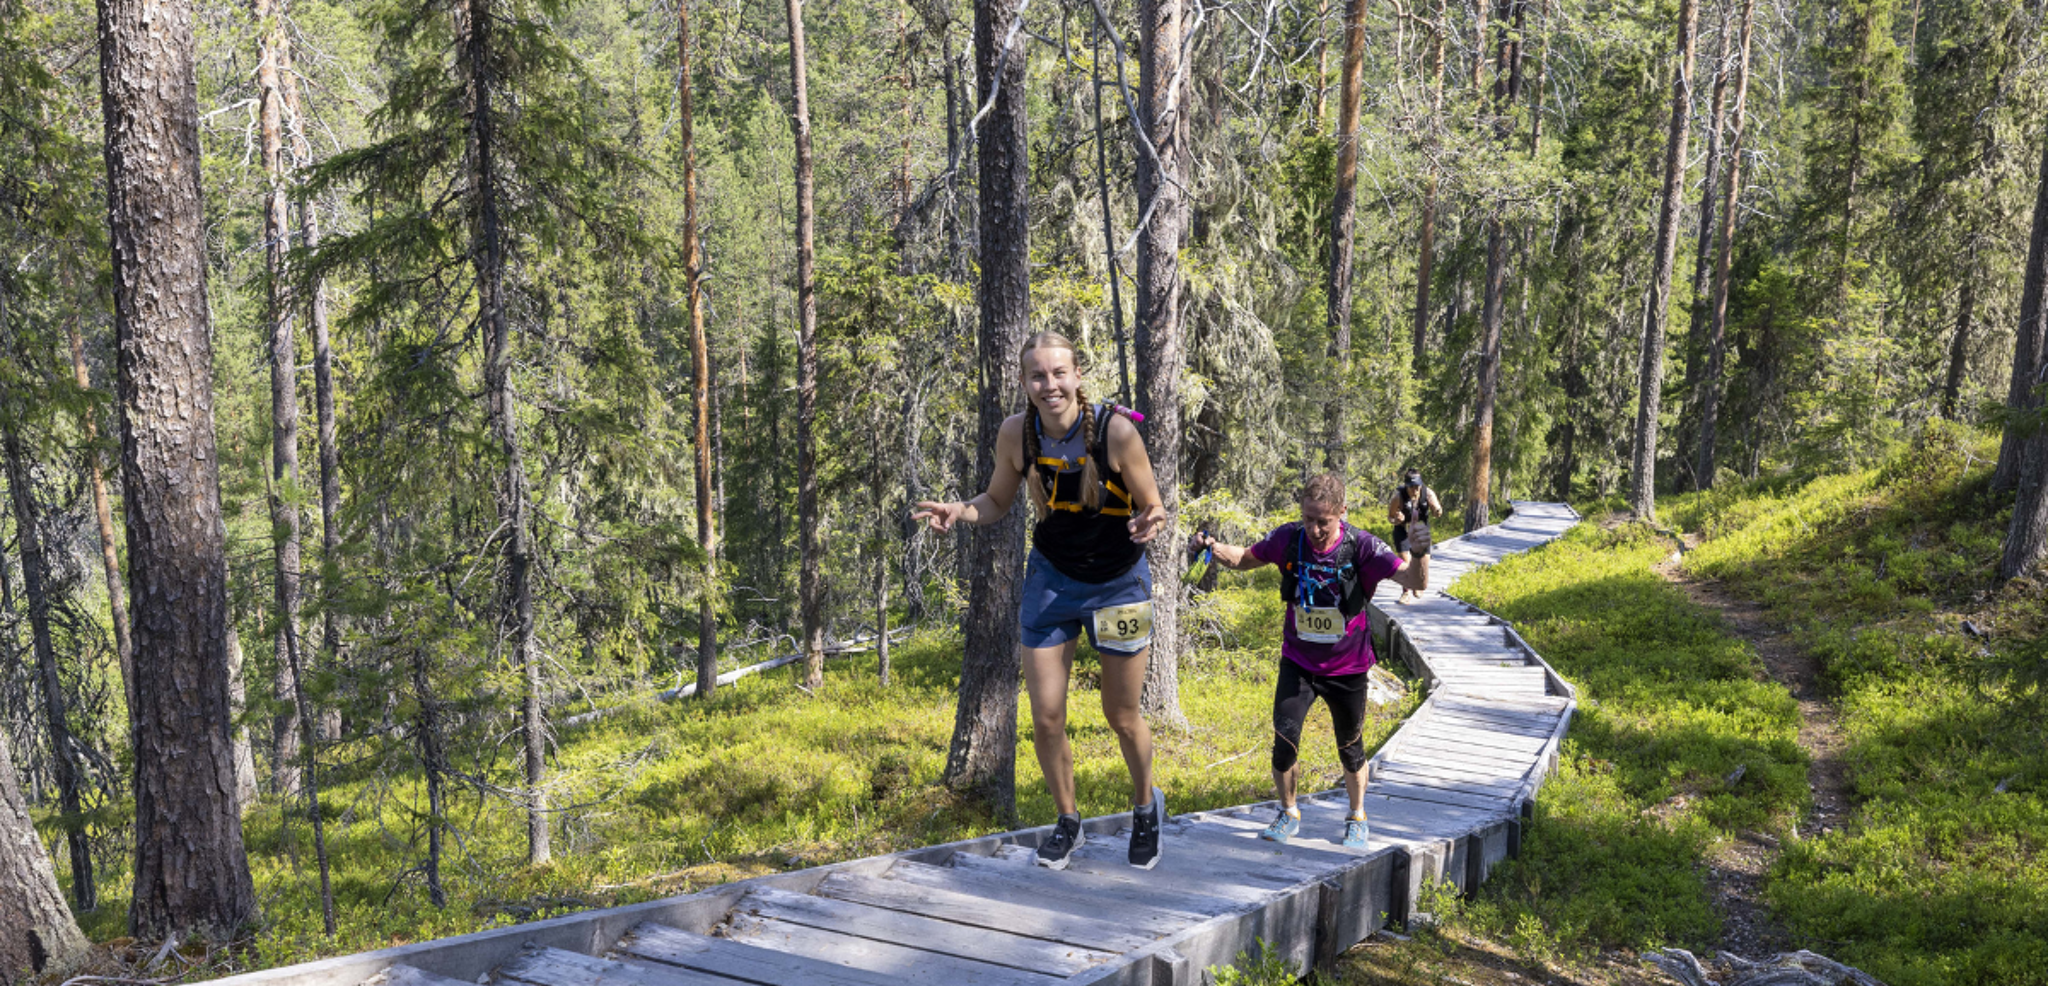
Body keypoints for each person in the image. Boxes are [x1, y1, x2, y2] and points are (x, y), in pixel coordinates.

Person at [913, 331, 1170, 871]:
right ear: (1025, 381)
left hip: (1118, 584)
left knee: (1121, 714)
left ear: (1077, 376)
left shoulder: (1116, 432)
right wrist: (960, 511)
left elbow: (1154, 505)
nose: (1049, 384)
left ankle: (1146, 808)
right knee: (1047, 716)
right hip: (1052, 582)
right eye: (1037, 375)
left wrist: (1152, 520)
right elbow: (996, 501)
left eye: (1058, 373)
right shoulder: (1018, 434)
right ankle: (1068, 821)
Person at [1191, 475, 1406, 848]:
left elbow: (1414, 579)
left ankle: (1357, 815)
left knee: (1350, 747)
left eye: (1324, 521)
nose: (1315, 529)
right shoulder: (1289, 538)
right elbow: (1244, 558)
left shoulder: (1363, 546)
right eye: (1309, 519)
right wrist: (1212, 547)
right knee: (1283, 742)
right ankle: (1288, 811)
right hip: (1298, 662)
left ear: (1342, 512)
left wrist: (1419, 551)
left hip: (1348, 667)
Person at [1387, 470, 1442, 604]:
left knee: (1423, 561)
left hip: (1421, 530)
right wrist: (1397, 520)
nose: (1415, 490)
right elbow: (1390, 517)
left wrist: (1437, 510)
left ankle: (1417, 585)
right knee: (1406, 561)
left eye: (1417, 486)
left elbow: (1438, 511)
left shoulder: (1428, 493)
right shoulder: (1398, 498)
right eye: (1411, 487)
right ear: (1406, 486)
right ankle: (1406, 592)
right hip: (1403, 529)